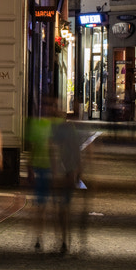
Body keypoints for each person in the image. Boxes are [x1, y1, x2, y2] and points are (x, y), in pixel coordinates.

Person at [25, 98, 61, 251]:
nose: (47, 108)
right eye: (45, 105)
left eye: (50, 105)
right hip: (40, 168)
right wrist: (30, 168)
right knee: (40, 206)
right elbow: (32, 148)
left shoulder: (59, 126)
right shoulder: (36, 125)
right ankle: (39, 237)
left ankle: (59, 238)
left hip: (55, 170)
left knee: (57, 207)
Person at [51, 103, 85, 253]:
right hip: (67, 171)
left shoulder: (57, 131)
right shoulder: (68, 129)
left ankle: (63, 239)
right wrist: (78, 170)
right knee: (63, 206)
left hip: (63, 171)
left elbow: (53, 151)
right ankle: (64, 239)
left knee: (61, 207)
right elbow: (76, 150)